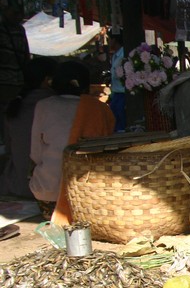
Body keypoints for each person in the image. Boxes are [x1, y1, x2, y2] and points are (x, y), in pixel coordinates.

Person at [29, 61, 115, 220]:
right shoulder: (100, 109)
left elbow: (35, 155)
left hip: (48, 194)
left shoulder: (43, 106)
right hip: (89, 196)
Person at [0, 57, 58, 197]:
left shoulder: (15, 105)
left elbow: (9, 148)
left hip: (14, 185)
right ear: (47, 80)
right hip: (48, 190)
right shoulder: (55, 104)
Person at [0, 3, 30, 118]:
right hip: (16, 83)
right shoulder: (20, 30)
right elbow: (26, 56)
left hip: (7, 82)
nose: (18, 16)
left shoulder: (17, 30)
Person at [108, 31, 126, 132]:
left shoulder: (124, 53)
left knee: (121, 125)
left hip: (122, 95)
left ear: (114, 40)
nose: (108, 42)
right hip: (115, 94)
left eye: (109, 39)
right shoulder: (115, 55)